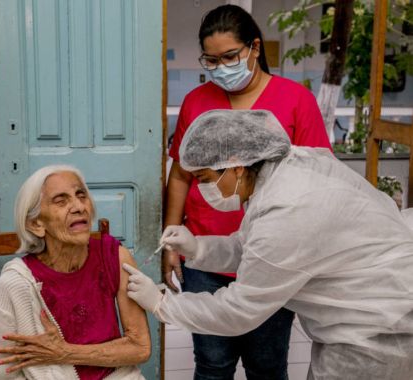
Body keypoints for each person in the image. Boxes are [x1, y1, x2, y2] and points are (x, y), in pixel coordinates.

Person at [125, 109, 413, 380]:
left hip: (379, 328)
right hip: (373, 306)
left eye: (205, 179)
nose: (202, 190)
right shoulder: (282, 173)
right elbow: (255, 249)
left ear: (236, 166)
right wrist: (198, 248)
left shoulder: (289, 207)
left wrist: (163, 305)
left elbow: (239, 310)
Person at [164, 4, 331, 379]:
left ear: (254, 48)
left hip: (273, 256)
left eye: (230, 57)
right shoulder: (197, 101)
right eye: (211, 60)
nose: (220, 68)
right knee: (212, 363)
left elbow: (317, 183)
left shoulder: (295, 101)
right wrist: (173, 241)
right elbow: (180, 175)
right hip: (204, 251)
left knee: (266, 365)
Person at [0, 165, 151, 380]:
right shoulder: (14, 284)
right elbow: (3, 372)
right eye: (61, 201)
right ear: (36, 224)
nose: (79, 207)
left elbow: (140, 347)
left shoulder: (114, 256)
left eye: (81, 195)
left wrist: (64, 352)